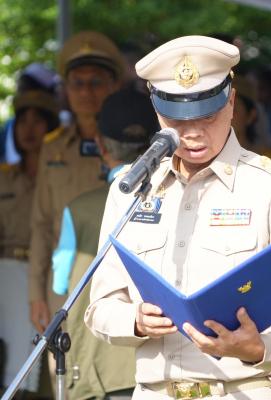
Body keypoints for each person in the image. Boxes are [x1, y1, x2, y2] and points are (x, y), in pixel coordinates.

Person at [84, 35, 271, 400]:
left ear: (231, 102)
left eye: (207, 115)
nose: (193, 132)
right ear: (157, 111)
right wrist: (135, 320)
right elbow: (99, 307)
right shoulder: (132, 190)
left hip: (242, 391)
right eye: (177, 119)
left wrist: (257, 347)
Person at [50, 84, 159, 400]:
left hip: (98, 372)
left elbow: (60, 285)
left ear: (99, 144)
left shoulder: (79, 210)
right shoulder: (180, 201)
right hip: (162, 367)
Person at [28, 30, 124, 335]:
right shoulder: (52, 148)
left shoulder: (133, 145)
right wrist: (36, 293)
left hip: (119, 283)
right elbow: (41, 225)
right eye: (77, 83)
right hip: (64, 283)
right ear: (66, 90)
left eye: (96, 82)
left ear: (114, 86)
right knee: (65, 363)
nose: (86, 92)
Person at [0, 90, 60, 394]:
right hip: (7, 275)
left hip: (50, 273)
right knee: (8, 360)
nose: (29, 128)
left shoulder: (60, 174)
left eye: (38, 121)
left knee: (43, 363)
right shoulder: (4, 177)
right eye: (22, 121)